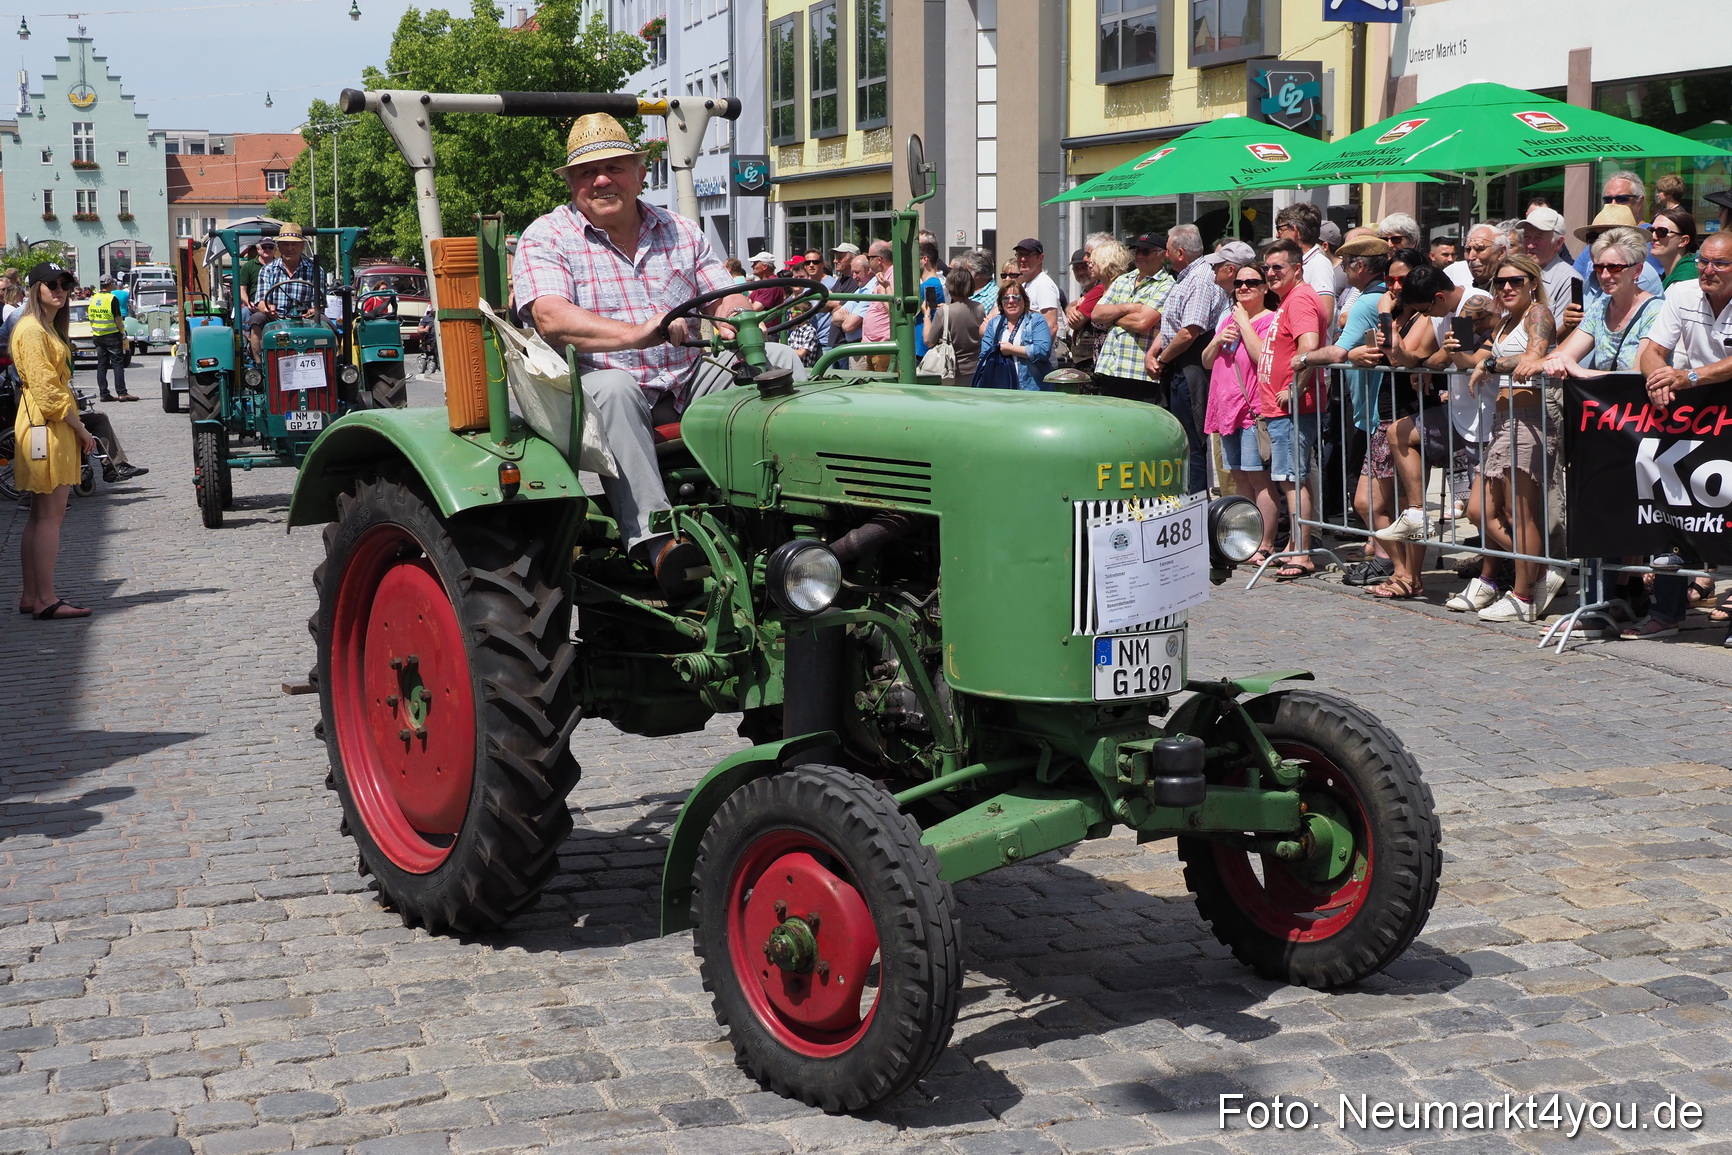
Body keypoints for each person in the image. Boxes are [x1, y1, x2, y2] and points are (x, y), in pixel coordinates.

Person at [514, 112, 782, 598]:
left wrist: (740, 317)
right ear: (571, 183)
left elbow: (723, 293)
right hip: (596, 385)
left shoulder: (680, 230)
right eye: (585, 173)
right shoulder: (547, 236)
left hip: (687, 378)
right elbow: (551, 318)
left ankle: (787, 512)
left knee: (783, 360)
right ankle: (658, 543)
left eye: (615, 167)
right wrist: (641, 333)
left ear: (641, 173)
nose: (601, 179)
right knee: (616, 390)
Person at [1444, 254, 1559, 623]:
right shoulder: (1507, 320)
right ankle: (1539, 571)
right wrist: (1461, 353)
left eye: (1516, 281)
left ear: (1532, 283)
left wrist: (1489, 364)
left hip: (1530, 421)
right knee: (1478, 510)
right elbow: (1476, 360)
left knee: (1521, 513)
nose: (1506, 287)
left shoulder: (1538, 314)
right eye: (1500, 282)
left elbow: (1533, 357)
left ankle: (1524, 594)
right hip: (1501, 421)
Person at [1631, 230, 1732, 642]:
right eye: (1704, 261)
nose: (1708, 270)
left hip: (1712, 401)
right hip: (1697, 417)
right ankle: (1666, 612)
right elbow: (1653, 347)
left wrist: (1688, 376)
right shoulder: (1683, 291)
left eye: (1720, 264)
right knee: (1673, 507)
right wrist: (1657, 378)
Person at [11, 263, 96, 620]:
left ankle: (33, 595)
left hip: (41, 422)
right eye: (51, 284)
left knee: (39, 516)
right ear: (35, 289)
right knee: (50, 518)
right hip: (46, 424)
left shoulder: (41, 327)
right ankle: (46, 599)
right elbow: (48, 391)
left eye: (65, 283)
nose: (60, 290)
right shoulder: (32, 330)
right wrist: (80, 429)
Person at [1247, 237, 1329, 579]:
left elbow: (1309, 348)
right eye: (1266, 267)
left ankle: (1302, 553)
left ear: (1297, 268)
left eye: (1277, 267)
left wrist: (1295, 389)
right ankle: (1295, 545)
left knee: (1292, 480)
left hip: (1293, 410)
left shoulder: (1300, 300)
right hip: (1281, 408)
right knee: (1291, 480)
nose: (1269, 274)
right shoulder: (1290, 299)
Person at [1151, 229, 1243, 495]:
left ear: (1180, 252)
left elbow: (1189, 331)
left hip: (1189, 365)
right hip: (1179, 361)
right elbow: (1173, 324)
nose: (1165, 255)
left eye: (1167, 250)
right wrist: (1154, 353)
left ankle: (1195, 508)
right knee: (1183, 440)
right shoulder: (1188, 277)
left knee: (1191, 442)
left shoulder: (1200, 279)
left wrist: (1163, 359)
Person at [1201, 257, 1278, 564]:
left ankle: (1265, 543)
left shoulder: (1270, 319)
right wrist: (1219, 338)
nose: (1244, 288)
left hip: (1250, 410)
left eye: (1252, 283)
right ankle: (1244, 539)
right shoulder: (1226, 320)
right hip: (1225, 409)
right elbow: (1207, 361)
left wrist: (1245, 323)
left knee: (1259, 479)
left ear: (1265, 287)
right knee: (1238, 479)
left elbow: (1262, 357)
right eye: (1239, 284)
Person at [1090, 233, 1173, 401]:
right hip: (1110, 368)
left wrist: (1112, 317)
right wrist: (1129, 307)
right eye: (1137, 251)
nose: (1140, 256)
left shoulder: (1168, 285)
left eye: (1146, 252)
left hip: (1139, 373)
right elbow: (1096, 314)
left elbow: (1142, 323)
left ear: (1162, 254)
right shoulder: (1123, 280)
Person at [1573, 171, 1666, 289]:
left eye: (1621, 199)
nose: (1613, 204)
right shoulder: (1594, 243)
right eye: (1607, 200)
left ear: (1640, 202)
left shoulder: (1652, 240)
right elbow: (1576, 281)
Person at [1573, 205, 1665, 307]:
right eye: (1592, 238)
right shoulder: (1597, 272)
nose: (1600, 244)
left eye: (1611, 238)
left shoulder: (1639, 274)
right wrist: (1569, 321)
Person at [253, 223, 326, 344]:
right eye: (285, 244)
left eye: (294, 244)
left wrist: (313, 311)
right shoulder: (267, 270)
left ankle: (333, 359)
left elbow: (319, 303)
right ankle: (259, 361)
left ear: (302, 246)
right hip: (275, 318)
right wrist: (268, 308)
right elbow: (261, 302)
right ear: (279, 247)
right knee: (256, 320)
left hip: (306, 319)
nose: (289, 248)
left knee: (327, 325)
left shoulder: (316, 270)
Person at [1519, 205, 1582, 335]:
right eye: (1526, 237)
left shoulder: (1568, 280)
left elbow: (1556, 337)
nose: (1530, 245)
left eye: (1538, 238)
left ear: (1558, 243)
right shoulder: (1514, 274)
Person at [978, 281, 1052, 390]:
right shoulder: (994, 324)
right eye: (1006, 298)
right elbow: (984, 356)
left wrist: (1012, 349)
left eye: (1016, 297)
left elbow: (1042, 350)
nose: (1011, 301)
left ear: (1024, 301)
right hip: (1002, 388)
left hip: (1031, 388)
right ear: (1001, 303)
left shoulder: (1036, 320)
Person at [922, 265, 984, 387]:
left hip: (950, 371)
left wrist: (927, 316)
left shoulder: (944, 312)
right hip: (973, 369)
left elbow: (928, 341)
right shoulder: (979, 308)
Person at [88, 274, 134, 402]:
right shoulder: (112, 298)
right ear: (110, 284)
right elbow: (118, 319)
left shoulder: (94, 298)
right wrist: (122, 332)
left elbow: (90, 316)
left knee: (102, 365)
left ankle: (104, 393)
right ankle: (122, 393)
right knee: (117, 364)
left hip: (98, 336)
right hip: (112, 336)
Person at [1012, 238, 1062, 335]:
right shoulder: (1025, 285)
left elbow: (1051, 326)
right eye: (1020, 254)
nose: (1022, 259)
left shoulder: (1043, 285)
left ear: (1040, 258)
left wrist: (1039, 350)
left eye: (1028, 255)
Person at [861, 240, 894, 371]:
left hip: (884, 347)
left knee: (884, 389)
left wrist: (883, 292)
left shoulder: (893, 277)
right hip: (872, 346)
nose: (868, 261)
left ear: (879, 259)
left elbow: (895, 312)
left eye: (869, 258)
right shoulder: (881, 277)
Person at [1650, 207, 1698, 288]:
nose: (1653, 236)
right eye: (1651, 230)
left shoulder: (1687, 279)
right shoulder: (1669, 275)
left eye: (1662, 232)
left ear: (1683, 241)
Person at [913, 241, 946, 358]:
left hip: (923, 348)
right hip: (922, 345)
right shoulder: (933, 284)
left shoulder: (930, 286)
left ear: (925, 259)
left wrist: (886, 288)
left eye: (916, 259)